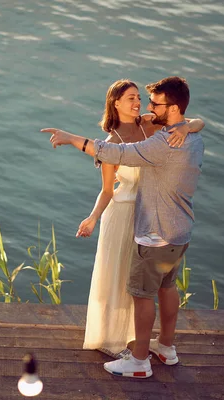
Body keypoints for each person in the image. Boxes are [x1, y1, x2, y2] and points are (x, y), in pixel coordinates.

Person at [41, 76, 204, 378]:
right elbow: (108, 181)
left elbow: (118, 154)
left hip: (153, 227)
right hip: (178, 228)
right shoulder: (188, 138)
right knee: (165, 287)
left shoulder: (160, 138)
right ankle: (165, 347)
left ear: (173, 108)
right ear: (115, 103)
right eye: (135, 98)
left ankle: (139, 361)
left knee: (141, 293)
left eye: (152, 102)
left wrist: (71, 138)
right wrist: (188, 124)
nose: (144, 104)